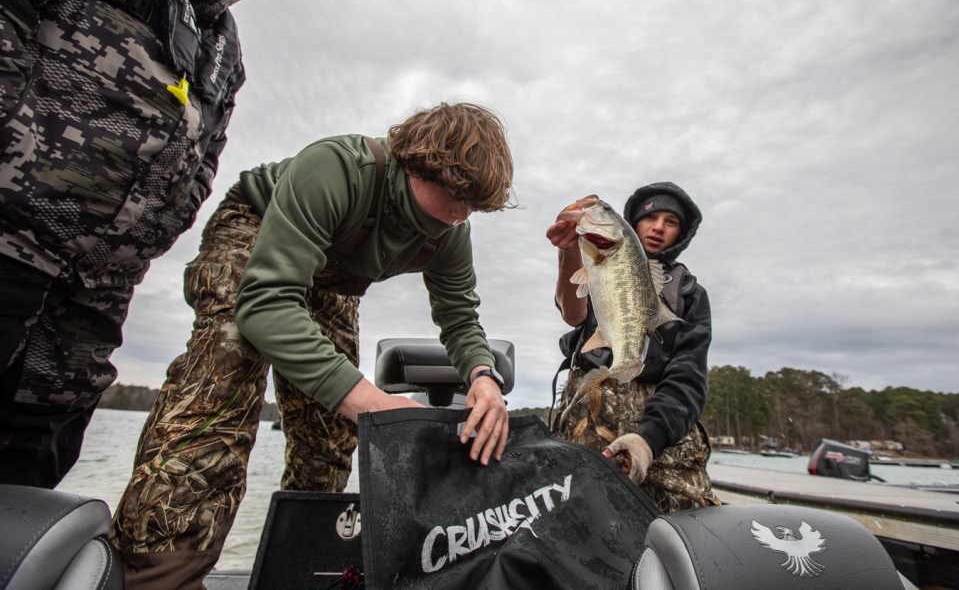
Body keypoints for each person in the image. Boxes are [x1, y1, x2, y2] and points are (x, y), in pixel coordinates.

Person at [110, 102, 515, 588]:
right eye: (456, 196)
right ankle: (156, 575)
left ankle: (302, 566)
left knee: (331, 431)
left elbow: (460, 317)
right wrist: (375, 404)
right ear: (416, 164)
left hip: (331, 278)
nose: (461, 214)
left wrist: (483, 377)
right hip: (256, 234)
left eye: (473, 206)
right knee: (221, 393)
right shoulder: (336, 169)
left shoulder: (450, 231)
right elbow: (266, 303)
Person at [0, 0, 288, 490]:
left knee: (40, 445)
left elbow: (209, 148)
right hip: (14, 240)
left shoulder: (224, 48)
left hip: (101, 283)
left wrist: (166, 222)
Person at [546, 182, 719, 514]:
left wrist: (648, 440)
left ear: (681, 233)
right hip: (589, 411)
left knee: (682, 521)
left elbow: (688, 377)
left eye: (671, 222)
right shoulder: (600, 261)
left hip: (658, 430)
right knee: (578, 515)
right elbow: (573, 314)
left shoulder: (690, 293)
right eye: (651, 217)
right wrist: (568, 252)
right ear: (633, 222)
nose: (659, 227)